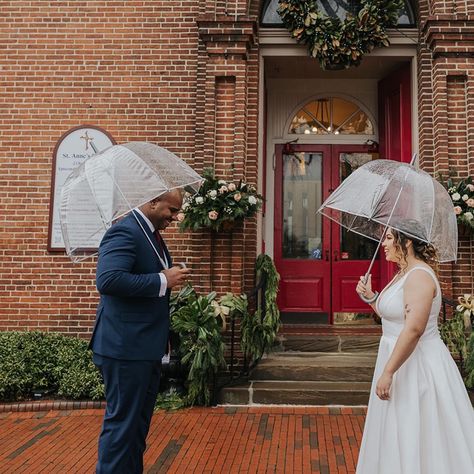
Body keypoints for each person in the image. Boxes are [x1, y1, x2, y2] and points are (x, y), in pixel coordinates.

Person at [355, 227, 474, 474]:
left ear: (406, 241)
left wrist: (388, 371)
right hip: (399, 359)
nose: (384, 244)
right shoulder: (403, 274)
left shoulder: (419, 276)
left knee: (419, 432)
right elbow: (394, 317)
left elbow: (413, 330)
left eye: (388, 238)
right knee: (397, 431)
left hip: (418, 367)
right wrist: (370, 297)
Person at [90, 189, 189, 474]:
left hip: (143, 347)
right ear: (153, 201)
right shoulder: (125, 231)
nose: (175, 216)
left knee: (135, 432)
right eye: (171, 210)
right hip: (124, 348)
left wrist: (166, 277)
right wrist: (162, 280)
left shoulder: (150, 234)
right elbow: (108, 280)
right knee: (122, 429)